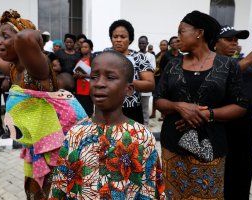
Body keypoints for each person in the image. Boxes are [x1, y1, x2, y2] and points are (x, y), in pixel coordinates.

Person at [0, 9, 87, 199]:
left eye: (5, 37)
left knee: (55, 192)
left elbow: (26, 37)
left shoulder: (36, 70)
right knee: (37, 191)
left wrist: (25, 31)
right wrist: (7, 31)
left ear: (21, 44)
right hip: (38, 144)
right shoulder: (14, 68)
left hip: (56, 147)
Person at [155, 10, 248, 199]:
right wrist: (179, 107)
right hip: (174, 145)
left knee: (208, 194)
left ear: (199, 32)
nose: (177, 38)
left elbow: (240, 105)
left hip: (211, 145)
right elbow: (158, 99)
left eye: (182, 31)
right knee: (174, 195)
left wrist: (207, 114)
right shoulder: (173, 64)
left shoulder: (228, 65)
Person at [48, 51, 165, 199]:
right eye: (94, 77)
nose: (100, 83)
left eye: (110, 78)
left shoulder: (142, 136)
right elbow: (60, 186)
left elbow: (150, 190)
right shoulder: (75, 134)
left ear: (128, 89)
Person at [215, 25, 252, 200]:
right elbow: (216, 81)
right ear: (214, 43)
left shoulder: (247, 67)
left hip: (245, 133)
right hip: (223, 131)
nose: (234, 43)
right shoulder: (211, 64)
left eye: (236, 40)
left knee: (241, 178)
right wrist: (249, 60)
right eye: (228, 39)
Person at [108, 19, 155, 124]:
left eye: (123, 37)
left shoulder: (139, 57)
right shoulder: (105, 57)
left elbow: (150, 84)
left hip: (131, 109)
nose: (118, 40)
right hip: (108, 108)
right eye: (115, 37)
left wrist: (123, 83)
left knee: (131, 139)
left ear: (130, 39)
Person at [138, 35, 156, 125]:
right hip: (136, 86)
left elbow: (152, 68)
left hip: (145, 85)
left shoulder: (151, 56)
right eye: (140, 43)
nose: (141, 45)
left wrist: (141, 70)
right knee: (137, 108)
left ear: (147, 44)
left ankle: (145, 125)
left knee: (145, 107)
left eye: (143, 43)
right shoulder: (135, 55)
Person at [73, 39, 94, 117]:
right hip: (78, 89)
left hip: (88, 89)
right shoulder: (79, 60)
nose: (83, 49)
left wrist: (84, 76)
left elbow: (96, 75)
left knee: (88, 111)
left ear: (91, 49)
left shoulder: (93, 60)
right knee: (80, 111)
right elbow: (74, 73)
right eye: (82, 47)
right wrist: (75, 75)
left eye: (86, 47)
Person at [150, 39, 168, 120]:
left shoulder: (169, 55)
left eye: (164, 44)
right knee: (155, 96)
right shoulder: (156, 55)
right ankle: (153, 113)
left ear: (167, 46)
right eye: (161, 44)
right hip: (156, 78)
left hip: (165, 78)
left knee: (163, 96)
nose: (163, 46)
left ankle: (163, 115)